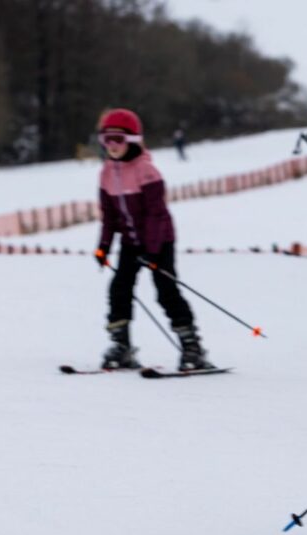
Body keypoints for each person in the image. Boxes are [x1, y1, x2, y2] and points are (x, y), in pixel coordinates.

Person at [94, 108, 215, 371]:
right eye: (107, 140)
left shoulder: (146, 171)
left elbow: (156, 215)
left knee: (166, 291)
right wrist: (103, 247)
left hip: (159, 242)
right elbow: (109, 217)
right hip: (130, 243)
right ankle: (121, 345)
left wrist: (151, 251)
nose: (112, 147)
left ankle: (192, 348)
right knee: (119, 289)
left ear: (134, 141)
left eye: (119, 140)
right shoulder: (105, 174)